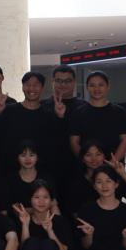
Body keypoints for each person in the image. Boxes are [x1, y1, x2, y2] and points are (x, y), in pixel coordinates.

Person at [0, 72, 60, 175]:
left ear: (42, 88)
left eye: (36, 85)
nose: (31, 88)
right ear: (22, 87)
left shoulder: (49, 115)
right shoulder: (9, 110)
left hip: (41, 172)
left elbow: (55, 145)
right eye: (28, 85)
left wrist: (60, 117)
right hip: (11, 170)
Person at [64, 140, 126, 213]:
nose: (94, 159)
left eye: (98, 154)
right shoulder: (76, 181)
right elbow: (73, 212)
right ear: (82, 158)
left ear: (104, 156)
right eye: (88, 155)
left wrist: (123, 173)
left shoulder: (113, 178)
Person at [41, 66, 86, 197]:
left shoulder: (84, 107)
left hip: (77, 167)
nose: (63, 84)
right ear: (52, 82)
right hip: (48, 167)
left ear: (74, 82)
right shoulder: (42, 106)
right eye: (59, 81)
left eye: (67, 81)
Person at [69, 71, 126, 163]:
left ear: (108, 86)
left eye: (101, 85)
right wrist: (87, 161)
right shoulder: (78, 113)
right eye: (92, 85)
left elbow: (125, 140)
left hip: (114, 166)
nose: (96, 89)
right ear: (87, 87)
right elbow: (74, 142)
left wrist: (112, 163)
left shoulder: (119, 112)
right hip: (85, 167)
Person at [8, 140, 55, 210]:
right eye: (23, 155)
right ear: (17, 158)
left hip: (44, 216)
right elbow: (10, 208)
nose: (28, 159)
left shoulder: (46, 177)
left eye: (31, 155)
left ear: (37, 157)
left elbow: (53, 203)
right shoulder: (10, 179)